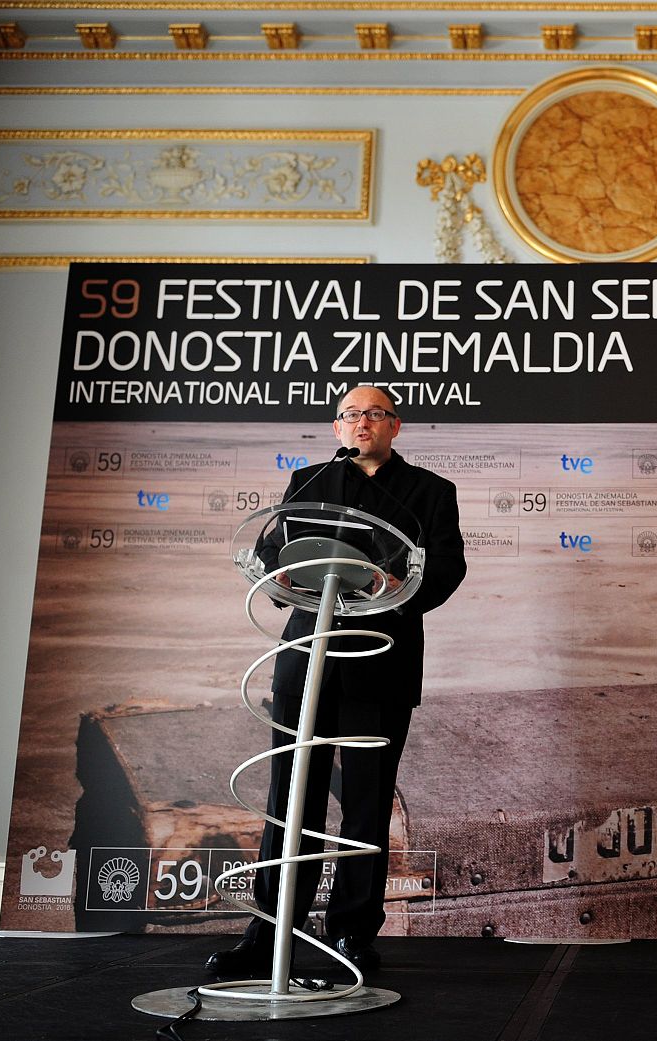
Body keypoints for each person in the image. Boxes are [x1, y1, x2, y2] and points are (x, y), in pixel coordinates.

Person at [208, 385, 467, 979]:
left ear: (395, 427)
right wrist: (280, 576)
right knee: (290, 796)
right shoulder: (308, 481)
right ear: (336, 428)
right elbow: (272, 552)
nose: (362, 424)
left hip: (383, 655)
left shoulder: (431, 491)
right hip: (308, 654)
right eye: (351, 415)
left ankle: (352, 931)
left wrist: (394, 591)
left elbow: (447, 567)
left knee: (368, 802)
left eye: (374, 414)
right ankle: (269, 929)